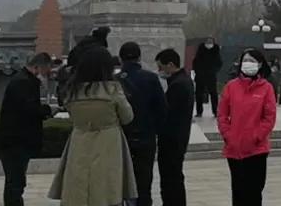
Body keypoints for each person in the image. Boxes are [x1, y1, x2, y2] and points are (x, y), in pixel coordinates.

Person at [48, 46, 137, 206]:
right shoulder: (112, 91)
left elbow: (71, 115)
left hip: (79, 140)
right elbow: (128, 117)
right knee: (107, 187)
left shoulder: (72, 92)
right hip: (109, 142)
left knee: (79, 185)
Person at [218, 48, 276, 206]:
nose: (248, 64)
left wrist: (256, 136)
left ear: (260, 64)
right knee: (238, 191)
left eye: (252, 61)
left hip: (256, 149)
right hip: (234, 149)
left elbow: (269, 117)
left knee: (254, 191)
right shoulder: (231, 86)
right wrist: (228, 135)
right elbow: (222, 115)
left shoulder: (266, 88)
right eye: (245, 60)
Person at [0, 52, 56, 206]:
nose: (46, 75)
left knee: (16, 181)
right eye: (46, 71)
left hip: (15, 140)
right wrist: (48, 110)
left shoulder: (22, 80)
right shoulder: (23, 83)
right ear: (37, 67)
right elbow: (29, 109)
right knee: (15, 183)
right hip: (16, 141)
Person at [118, 42, 166, 206]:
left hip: (121, 139)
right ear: (139, 57)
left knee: (121, 183)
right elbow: (162, 109)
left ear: (121, 58)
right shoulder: (151, 78)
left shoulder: (114, 80)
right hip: (146, 137)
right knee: (144, 183)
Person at [155, 48, 194, 206]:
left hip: (172, 139)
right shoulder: (183, 80)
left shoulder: (178, 85)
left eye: (161, 67)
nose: (159, 71)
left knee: (171, 178)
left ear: (170, 65)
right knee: (174, 176)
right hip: (178, 137)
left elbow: (167, 113)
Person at [192, 37, 222, 118]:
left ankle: (215, 111)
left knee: (213, 94)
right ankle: (199, 112)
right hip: (200, 76)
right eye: (208, 41)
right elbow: (195, 62)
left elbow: (219, 63)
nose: (209, 43)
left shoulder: (215, 51)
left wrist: (214, 71)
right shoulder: (200, 50)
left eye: (210, 41)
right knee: (199, 94)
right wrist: (197, 71)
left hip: (211, 76)